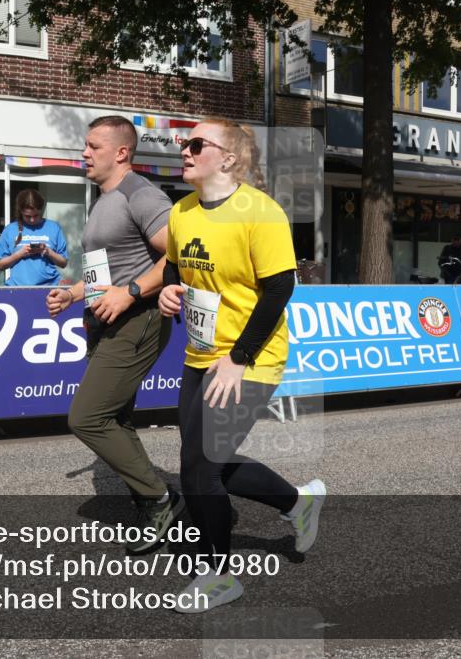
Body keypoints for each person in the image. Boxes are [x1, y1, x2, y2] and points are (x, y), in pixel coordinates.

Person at [158, 118, 326, 613]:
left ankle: (218, 576)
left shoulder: (261, 212)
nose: (183, 151)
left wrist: (238, 358)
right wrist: (169, 288)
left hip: (249, 361)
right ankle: (298, 502)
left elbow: (280, 288)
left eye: (195, 144)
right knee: (206, 461)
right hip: (200, 356)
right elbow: (175, 267)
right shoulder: (183, 211)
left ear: (228, 159)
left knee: (199, 472)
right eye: (182, 144)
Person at [45, 116, 181, 553]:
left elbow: (179, 256)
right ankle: (149, 498)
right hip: (106, 320)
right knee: (115, 418)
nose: (83, 153)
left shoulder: (140, 194)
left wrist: (131, 293)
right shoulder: (104, 199)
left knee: (87, 417)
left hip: (138, 319)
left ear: (121, 152)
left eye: (92, 146)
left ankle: (161, 499)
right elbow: (108, 271)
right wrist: (73, 293)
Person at [0, 189, 69, 286]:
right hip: (17, 288)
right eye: (27, 216)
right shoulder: (10, 230)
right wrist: (20, 254)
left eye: (36, 215)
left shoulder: (53, 227)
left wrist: (48, 252)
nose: (32, 220)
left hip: (50, 287)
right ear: (20, 211)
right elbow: (0, 265)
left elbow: (63, 263)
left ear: (41, 210)